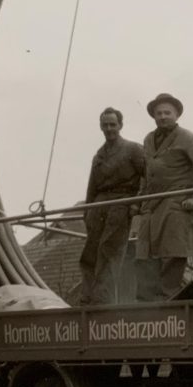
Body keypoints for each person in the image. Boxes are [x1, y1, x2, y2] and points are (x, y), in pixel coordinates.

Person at [135, 93, 193, 301]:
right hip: (151, 209)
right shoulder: (148, 139)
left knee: (172, 259)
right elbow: (147, 173)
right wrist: (140, 201)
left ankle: (169, 310)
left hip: (175, 208)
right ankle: (147, 309)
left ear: (176, 114)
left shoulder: (187, 138)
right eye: (158, 113)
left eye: (167, 113)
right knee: (144, 258)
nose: (163, 117)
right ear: (153, 116)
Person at [78, 107, 145, 305]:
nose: (109, 129)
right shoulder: (98, 156)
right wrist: (87, 211)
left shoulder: (133, 149)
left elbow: (148, 176)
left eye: (112, 125)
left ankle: (102, 301)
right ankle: (87, 298)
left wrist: (137, 203)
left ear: (120, 125)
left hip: (120, 203)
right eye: (105, 125)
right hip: (99, 206)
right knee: (90, 252)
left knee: (109, 251)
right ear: (100, 127)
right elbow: (92, 186)